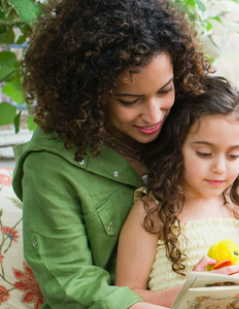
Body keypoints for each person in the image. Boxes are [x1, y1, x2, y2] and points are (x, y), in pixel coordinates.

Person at [12, 0, 215, 308]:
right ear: (90, 93)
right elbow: (70, 284)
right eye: (130, 100)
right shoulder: (50, 166)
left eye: (164, 91)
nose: (154, 115)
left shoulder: (188, 124)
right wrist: (165, 301)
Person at [115, 76, 239, 309]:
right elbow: (126, 296)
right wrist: (186, 292)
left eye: (233, 155)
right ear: (175, 147)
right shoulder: (152, 211)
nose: (220, 168)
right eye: (204, 153)